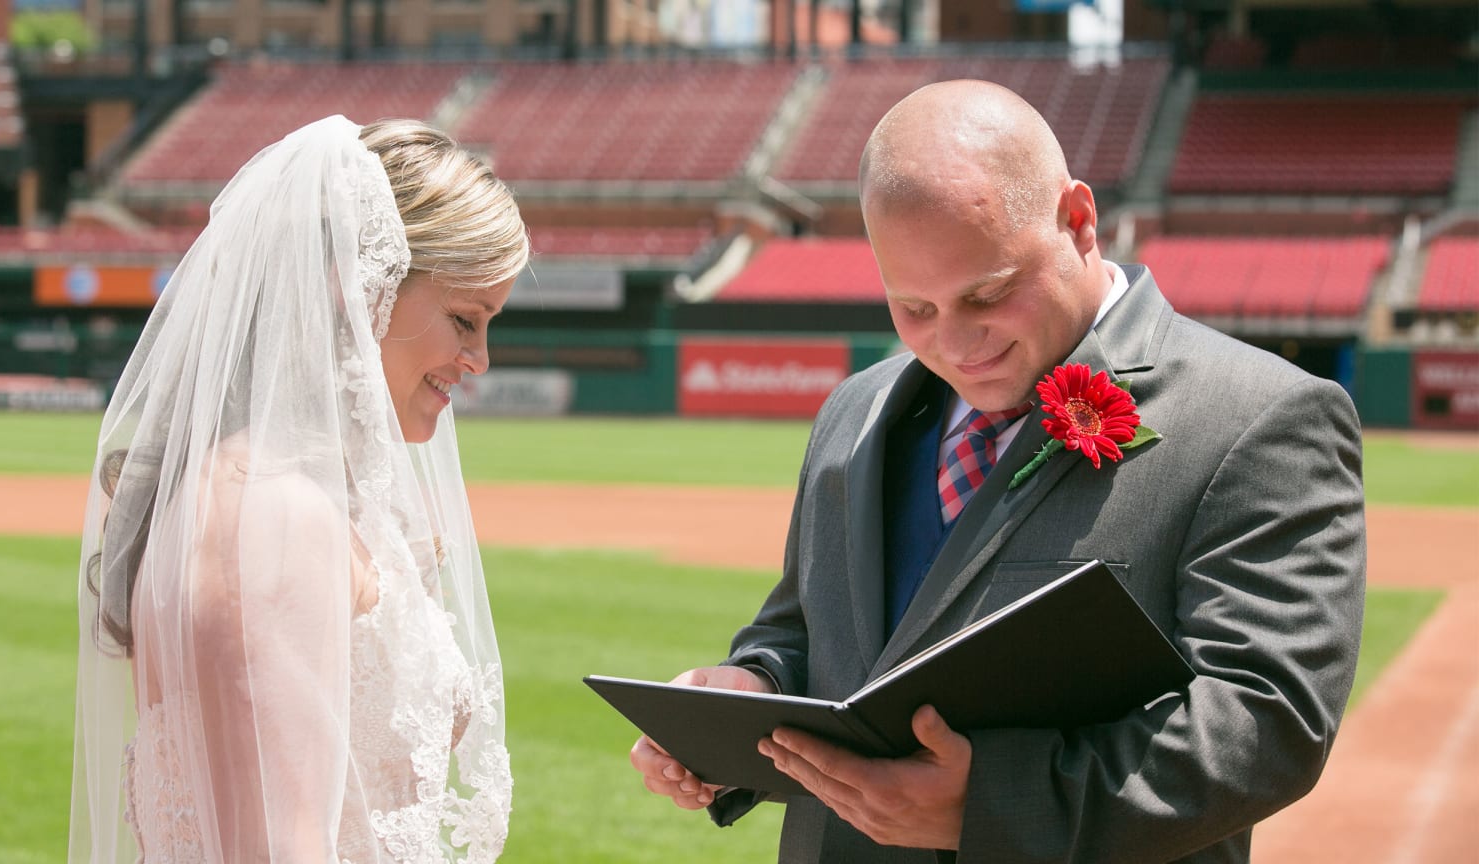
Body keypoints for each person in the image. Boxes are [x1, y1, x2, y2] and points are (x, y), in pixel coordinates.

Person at [629, 80, 1366, 862]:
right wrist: (753, 691)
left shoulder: (1261, 415)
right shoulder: (853, 410)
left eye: (989, 292)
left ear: (1078, 221)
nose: (955, 342)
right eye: (913, 307)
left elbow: (1267, 721)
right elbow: (805, 632)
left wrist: (988, 807)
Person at [68, 115, 529, 862]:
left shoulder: (270, 494)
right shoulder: (274, 519)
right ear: (358, 291)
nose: (477, 358)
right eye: (464, 320)